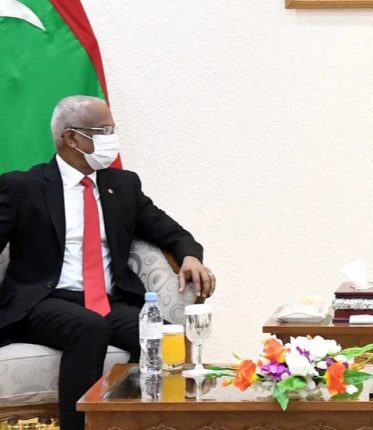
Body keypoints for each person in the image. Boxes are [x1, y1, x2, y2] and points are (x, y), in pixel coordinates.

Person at [0, 95, 216, 430]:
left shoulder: (122, 186)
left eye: (113, 130)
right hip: (43, 301)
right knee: (89, 327)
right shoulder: (23, 187)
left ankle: (139, 423)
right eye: (103, 131)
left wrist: (190, 256)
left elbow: (171, 232)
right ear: (71, 138)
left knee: (159, 335)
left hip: (107, 301)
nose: (112, 139)